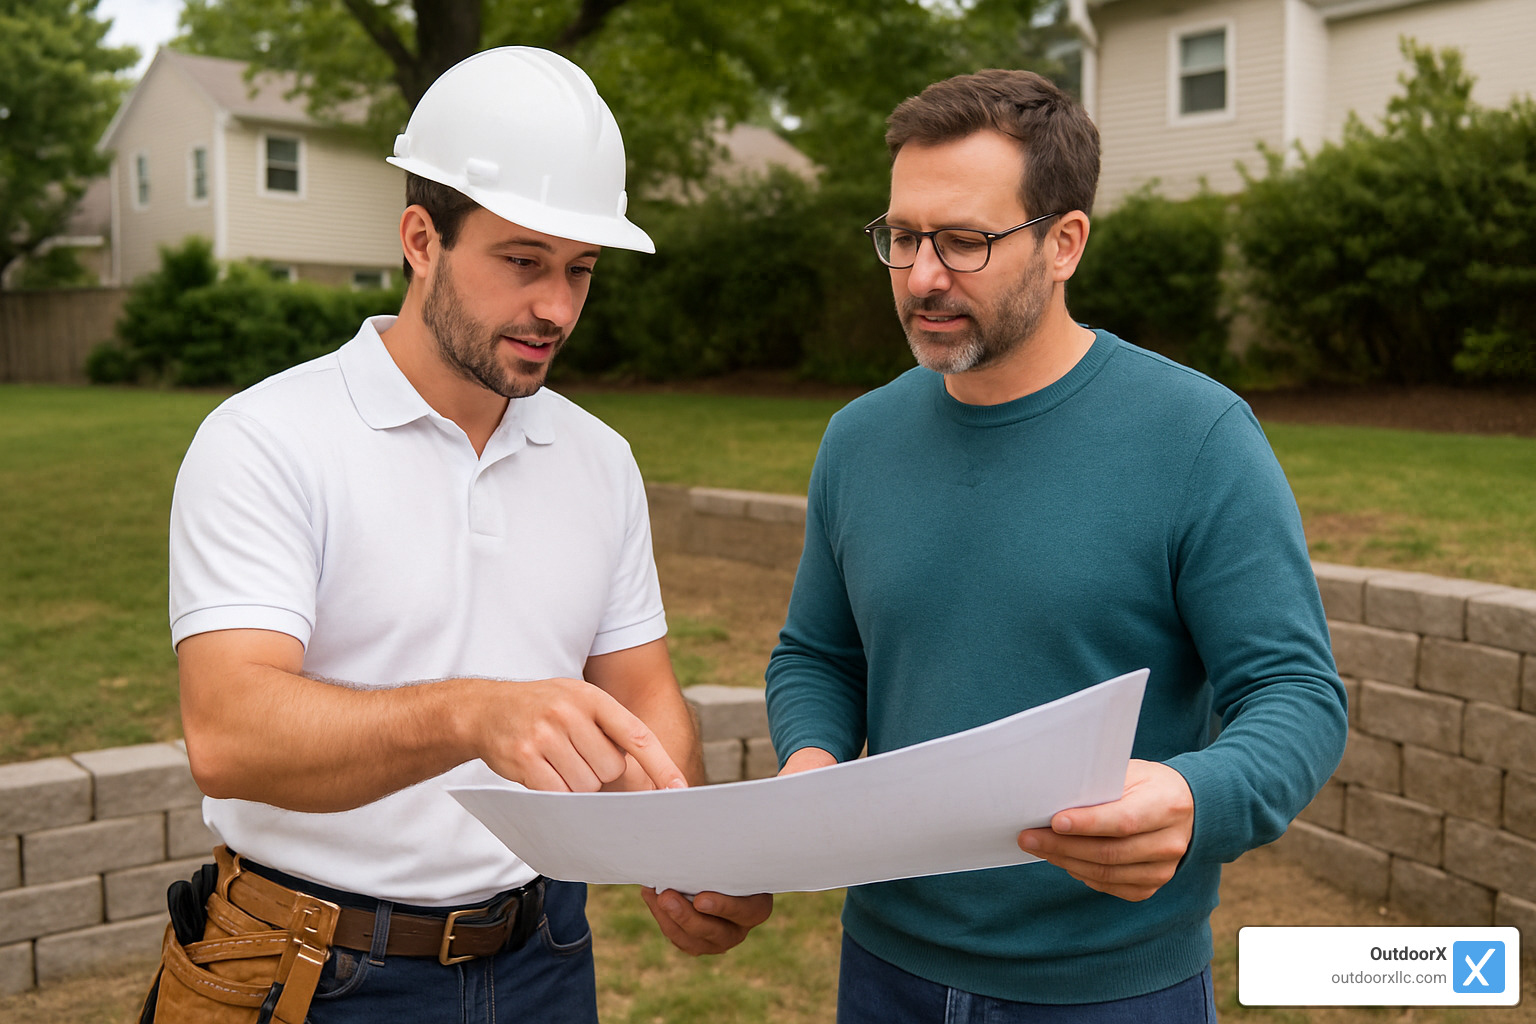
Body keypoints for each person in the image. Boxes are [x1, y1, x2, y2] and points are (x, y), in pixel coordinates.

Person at [167, 47, 769, 1023]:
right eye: (523, 262)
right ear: (420, 237)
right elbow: (230, 733)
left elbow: (643, 689)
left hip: (544, 953)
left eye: (580, 271)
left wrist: (685, 846)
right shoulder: (266, 439)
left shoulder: (599, 458)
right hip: (315, 968)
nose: (557, 308)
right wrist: (469, 716)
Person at [764, 69, 1347, 1022]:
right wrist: (814, 758)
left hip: (1113, 990)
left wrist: (1199, 797)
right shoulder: (856, 440)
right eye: (903, 237)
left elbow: (1296, 693)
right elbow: (819, 655)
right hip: (882, 973)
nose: (921, 276)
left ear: (1064, 242)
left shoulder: (1197, 436)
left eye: (963, 241)